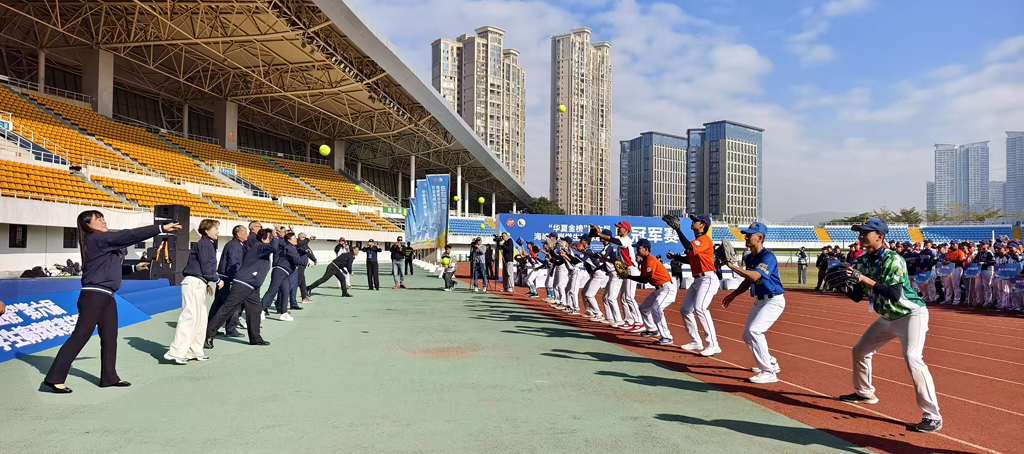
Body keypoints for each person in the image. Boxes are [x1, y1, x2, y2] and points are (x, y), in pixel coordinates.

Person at [43, 210, 181, 393]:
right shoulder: (97, 239)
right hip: (94, 296)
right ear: (88, 226)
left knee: (109, 337)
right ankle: (54, 378)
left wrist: (133, 267)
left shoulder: (101, 243)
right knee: (81, 335)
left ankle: (109, 377)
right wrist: (160, 228)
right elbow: (128, 235)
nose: (103, 220)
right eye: (98, 219)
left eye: (102, 217)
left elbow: (109, 268)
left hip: (106, 296)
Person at [835, 218, 942, 433]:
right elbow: (857, 297)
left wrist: (863, 279)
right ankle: (865, 393)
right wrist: (843, 286)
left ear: (880, 237)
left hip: (911, 314)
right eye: (860, 232)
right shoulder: (863, 261)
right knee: (860, 351)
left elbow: (893, 294)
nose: (861, 235)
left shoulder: (894, 259)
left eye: (866, 232)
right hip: (887, 317)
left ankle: (932, 415)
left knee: (913, 357)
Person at [722, 222, 785, 384]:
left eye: (750, 234)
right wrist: (733, 295)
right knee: (747, 335)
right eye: (746, 234)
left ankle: (768, 372)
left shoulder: (768, 257)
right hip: (760, 300)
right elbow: (748, 280)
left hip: (773, 300)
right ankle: (770, 361)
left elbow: (755, 276)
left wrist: (731, 266)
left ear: (760, 238)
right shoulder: (749, 257)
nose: (746, 236)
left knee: (755, 331)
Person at [205, 228, 278, 349]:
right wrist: (275, 237)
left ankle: (255, 338)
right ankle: (208, 334)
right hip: (243, 283)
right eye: (270, 238)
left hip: (253, 286)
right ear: (265, 239)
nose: (272, 241)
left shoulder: (260, 249)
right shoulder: (259, 246)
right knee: (228, 308)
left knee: (255, 311)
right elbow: (273, 248)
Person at [164, 219, 221, 365]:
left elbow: (203, 267)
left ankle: (194, 350)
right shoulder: (205, 244)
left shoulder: (207, 244)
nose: (217, 232)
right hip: (194, 283)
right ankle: (175, 352)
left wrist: (207, 282)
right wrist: (215, 279)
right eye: (215, 229)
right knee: (189, 317)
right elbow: (206, 265)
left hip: (199, 282)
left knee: (201, 319)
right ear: (207, 230)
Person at [665, 214, 721, 356]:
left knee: (700, 308)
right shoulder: (697, 241)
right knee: (685, 309)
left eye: (695, 220)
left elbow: (688, 246)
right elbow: (690, 259)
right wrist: (676, 257)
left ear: (702, 224)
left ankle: (713, 344)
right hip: (698, 280)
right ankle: (695, 341)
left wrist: (678, 230)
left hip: (707, 278)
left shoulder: (704, 240)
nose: (692, 222)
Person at [624, 238, 677, 346]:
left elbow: (645, 280)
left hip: (667, 289)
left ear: (646, 249)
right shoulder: (644, 262)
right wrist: (628, 275)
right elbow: (643, 277)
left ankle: (667, 336)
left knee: (656, 308)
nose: (637, 250)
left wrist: (628, 276)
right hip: (659, 289)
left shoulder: (650, 260)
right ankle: (652, 329)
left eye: (639, 248)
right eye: (636, 248)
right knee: (643, 308)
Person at [210, 225, 246, 338]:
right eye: (245, 232)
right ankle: (231, 329)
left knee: (218, 304)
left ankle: (210, 326)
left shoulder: (233, 244)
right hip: (228, 278)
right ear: (239, 234)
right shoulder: (235, 246)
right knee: (232, 304)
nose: (247, 235)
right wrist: (232, 281)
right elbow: (233, 264)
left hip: (223, 277)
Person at [972, 241, 995, 307]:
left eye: (983, 244)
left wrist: (983, 263)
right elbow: (975, 260)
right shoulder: (979, 252)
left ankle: (988, 302)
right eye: (981, 244)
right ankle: (979, 301)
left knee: (987, 286)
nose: (982, 245)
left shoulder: (989, 253)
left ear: (987, 245)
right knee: (977, 286)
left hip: (987, 270)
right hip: (979, 271)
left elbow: (993, 262)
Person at [297, 233, 316, 303]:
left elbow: (309, 252)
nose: (305, 238)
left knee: (302, 283)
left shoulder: (304, 244)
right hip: (299, 265)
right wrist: (309, 239)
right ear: (301, 238)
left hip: (303, 265)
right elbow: (301, 251)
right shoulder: (298, 243)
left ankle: (304, 298)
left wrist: (314, 259)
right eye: (304, 237)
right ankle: (286, 296)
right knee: (298, 282)